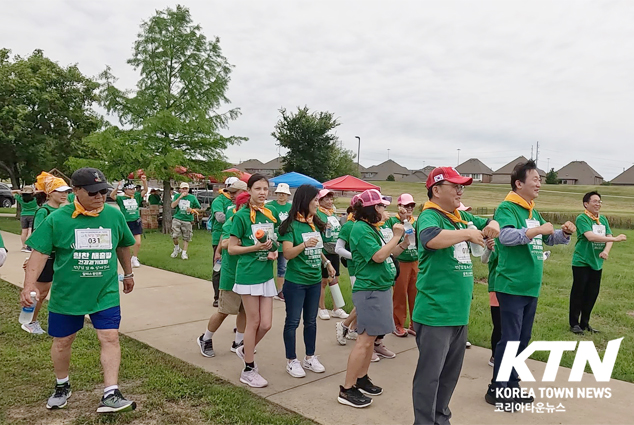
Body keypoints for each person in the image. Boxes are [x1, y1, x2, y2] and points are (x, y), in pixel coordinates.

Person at [20, 167, 137, 413]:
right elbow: (39, 252)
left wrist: (128, 273)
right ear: (76, 191)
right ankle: (62, 385)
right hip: (67, 294)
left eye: (103, 192)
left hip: (104, 293)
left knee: (110, 337)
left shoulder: (113, 216)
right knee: (62, 341)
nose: (100, 197)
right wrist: (29, 285)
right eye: (93, 192)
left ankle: (111, 392)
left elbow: (124, 246)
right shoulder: (58, 218)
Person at [410, 167, 500, 424]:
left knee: (449, 375)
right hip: (435, 313)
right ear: (436, 190)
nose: (461, 190)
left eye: (462, 186)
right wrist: (468, 233)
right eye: (455, 186)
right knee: (430, 376)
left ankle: (441, 417)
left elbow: (494, 221)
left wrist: (491, 226)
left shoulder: (458, 216)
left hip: (458, 314)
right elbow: (430, 239)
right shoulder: (430, 216)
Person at [485, 160, 576, 408]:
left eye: (539, 179)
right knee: (510, 339)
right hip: (511, 284)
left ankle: (512, 386)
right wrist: (535, 232)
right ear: (518, 183)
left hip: (530, 285)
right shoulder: (507, 208)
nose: (539, 183)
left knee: (522, 341)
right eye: (534, 179)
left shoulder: (531, 211)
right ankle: (498, 389)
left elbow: (550, 237)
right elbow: (505, 236)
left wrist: (565, 233)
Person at [338, 189, 408, 408]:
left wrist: (403, 244)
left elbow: (388, 254)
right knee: (364, 340)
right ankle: (347, 389)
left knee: (372, 338)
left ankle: (362, 378)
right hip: (369, 290)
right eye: (380, 206)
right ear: (370, 209)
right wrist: (396, 235)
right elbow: (378, 257)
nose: (384, 210)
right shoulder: (359, 228)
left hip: (381, 287)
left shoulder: (372, 228)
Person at [279, 184, 334, 378]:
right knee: (293, 322)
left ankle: (310, 357)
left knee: (311, 321)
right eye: (315, 201)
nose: (317, 204)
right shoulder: (290, 225)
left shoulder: (313, 223)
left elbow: (317, 249)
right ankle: (291, 360)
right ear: (305, 201)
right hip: (296, 282)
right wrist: (303, 244)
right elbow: (287, 254)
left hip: (314, 280)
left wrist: (327, 263)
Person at [229, 174, 278, 388]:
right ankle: (248, 369)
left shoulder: (271, 214)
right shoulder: (241, 217)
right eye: (258, 188)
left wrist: (273, 252)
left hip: (266, 273)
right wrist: (254, 248)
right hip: (248, 274)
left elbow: (272, 243)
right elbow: (232, 248)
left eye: (265, 189)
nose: (262, 193)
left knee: (266, 324)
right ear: (248, 190)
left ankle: (245, 350)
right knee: (254, 321)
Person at [198, 192, 251, 357]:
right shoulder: (233, 221)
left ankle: (238, 342)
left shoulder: (251, 222)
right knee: (224, 311)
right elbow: (226, 241)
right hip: (231, 274)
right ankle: (205, 338)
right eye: (250, 205)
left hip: (247, 274)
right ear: (241, 206)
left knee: (245, 311)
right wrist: (238, 242)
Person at [21, 172, 72, 335]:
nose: (64, 195)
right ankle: (30, 321)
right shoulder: (44, 211)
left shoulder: (65, 211)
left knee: (53, 291)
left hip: (59, 257)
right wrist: (31, 260)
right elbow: (39, 239)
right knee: (39, 293)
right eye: (60, 191)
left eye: (66, 191)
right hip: (47, 258)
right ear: (50, 193)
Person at [570, 191, 626, 334]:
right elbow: (590, 237)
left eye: (599, 201)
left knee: (592, 293)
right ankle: (574, 324)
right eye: (595, 201)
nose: (598, 204)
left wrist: (606, 251)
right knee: (579, 292)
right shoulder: (582, 218)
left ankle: (585, 323)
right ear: (586, 204)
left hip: (597, 262)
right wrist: (615, 240)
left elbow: (608, 235)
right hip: (582, 261)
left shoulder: (603, 219)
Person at [385, 193, 418, 338]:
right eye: (406, 205)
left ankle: (414, 324)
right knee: (399, 294)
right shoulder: (393, 221)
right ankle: (398, 324)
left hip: (415, 260)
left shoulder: (415, 221)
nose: (409, 208)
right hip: (401, 261)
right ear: (399, 207)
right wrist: (404, 221)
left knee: (415, 293)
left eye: (411, 205)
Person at [211, 179, 248, 307]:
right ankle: (218, 296)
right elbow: (225, 229)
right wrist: (218, 250)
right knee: (219, 270)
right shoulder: (228, 207)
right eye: (229, 191)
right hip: (224, 243)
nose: (231, 195)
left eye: (234, 192)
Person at [316, 189, 348, 320]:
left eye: (331, 199)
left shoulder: (333, 213)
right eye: (326, 199)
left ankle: (337, 308)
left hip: (334, 250)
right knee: (323, 281)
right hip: (323, 250)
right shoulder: (318, 214)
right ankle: (322, 308)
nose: (329, 202)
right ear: (320, 201)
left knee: (335, 279)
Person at [334, 200, 360, 346]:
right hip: (355, 269)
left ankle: (353, 329)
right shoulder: (349, 226)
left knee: (361, 302)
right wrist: (355, 256)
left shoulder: (368, 225)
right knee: (362, 302)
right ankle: (344, 325)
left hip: (366, 269)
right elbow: (339, 248)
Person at [110, 176, 148, 268]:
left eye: (133, 188)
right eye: (130, 189)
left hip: (135, 221)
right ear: (125, 190)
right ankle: (122, 257)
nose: (132, 190)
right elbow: (112, 196)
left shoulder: (137, 197)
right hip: (126, 222)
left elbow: (145, 191)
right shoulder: (121, 198)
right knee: (124, 242)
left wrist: (144, 182)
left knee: (137, 242)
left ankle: (134, 258)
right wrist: (117, 188)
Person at [268, 182, 293, 301]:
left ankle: (280, 290)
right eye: (279, 193)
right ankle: (269, 288)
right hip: (272, 239)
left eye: (284, 194)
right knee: (267, 265)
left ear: (287, 195)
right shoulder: (270, 206)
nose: (281, 196)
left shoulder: (290, 208)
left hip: (285, 241)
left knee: (282, 267)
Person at [170, 182, 202, 260]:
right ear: (180, 189)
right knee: (175, 235)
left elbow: (199, 208)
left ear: (188, 189)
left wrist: (192, 210)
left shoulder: (192, 197)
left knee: (186, 237)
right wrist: (180, 197)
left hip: (187, 220)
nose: (184, 190)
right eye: (183, 188)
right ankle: (177, 248)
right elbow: (172, 206)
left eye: (186, 188)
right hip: (177, 218)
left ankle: (184, 253)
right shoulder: (177, 196)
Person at [482, 238, 499, 367]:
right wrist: (488, 248)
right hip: (496, 287)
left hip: (513, 288)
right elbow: (484, 259)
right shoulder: (496, 242)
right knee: (499, 325)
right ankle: (495, 356)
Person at [13, 186, 38, 252]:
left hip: (24, 215)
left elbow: (11, 192)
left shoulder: (20, 199)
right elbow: (43, 192)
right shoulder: (35, 199)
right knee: (30, 230)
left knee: (24, 232)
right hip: (33, 215)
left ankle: (24, 246)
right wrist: (34, 192)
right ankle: (29, 246)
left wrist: (19, 192)